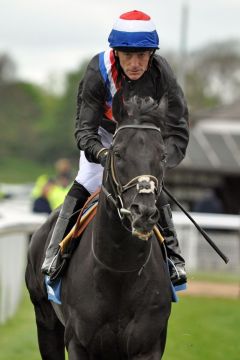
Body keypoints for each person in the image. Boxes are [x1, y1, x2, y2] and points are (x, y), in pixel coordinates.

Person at [41, 10, 189, 286]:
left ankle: (173, 257)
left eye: (142, 55)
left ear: (152, 54)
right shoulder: (98, 71)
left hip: (142, 139)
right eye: (127, 55)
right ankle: (54, 252)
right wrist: (104, 154)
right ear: (115, 53)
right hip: (104, 137)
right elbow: (84, 130)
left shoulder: (162, 72)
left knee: (150, 186)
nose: (135, 63)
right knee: (86, 180)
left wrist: (158, 163)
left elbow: (178, 125)